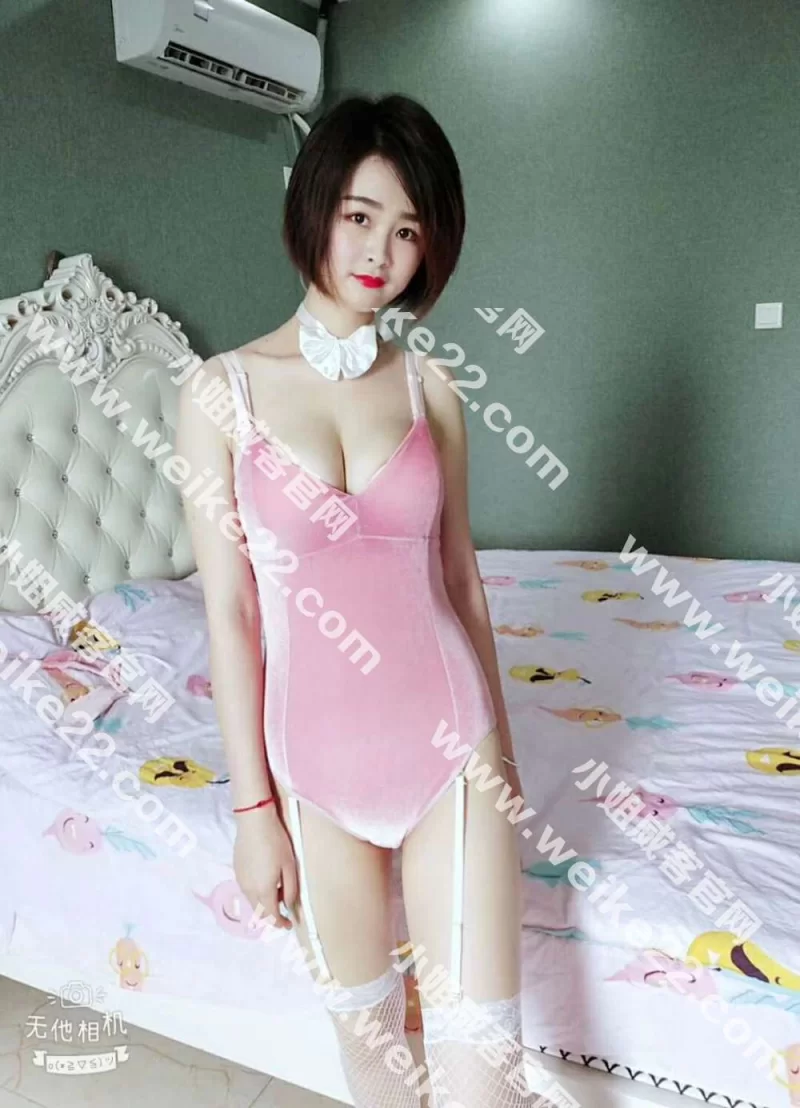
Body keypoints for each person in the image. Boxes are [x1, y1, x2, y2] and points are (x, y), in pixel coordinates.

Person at [178, 94, 533, 1108]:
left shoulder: (434, 390)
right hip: (312, 773)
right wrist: (253, 812)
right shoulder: (220, 392)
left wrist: (505, 763)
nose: (382, 250)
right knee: (377, 1080)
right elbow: (233, 614)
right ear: (316, 208)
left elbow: (460, 581)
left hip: (453, 752)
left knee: (483, 1085)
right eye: (360, 215)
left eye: (410, 229)